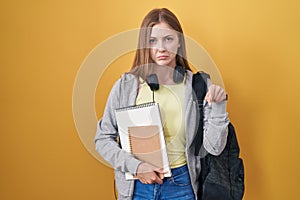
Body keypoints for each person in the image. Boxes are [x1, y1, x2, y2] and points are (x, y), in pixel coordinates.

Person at [95, 8, 229, 200]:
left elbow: (214, 148)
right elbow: (102, 139)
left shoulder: (197, 86)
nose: (161, 48)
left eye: (168, 39)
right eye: (153, 41)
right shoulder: (126, 86)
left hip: (182, 185)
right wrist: (137, 166)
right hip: (137, 187)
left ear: (179, 43)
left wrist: (218, 107)